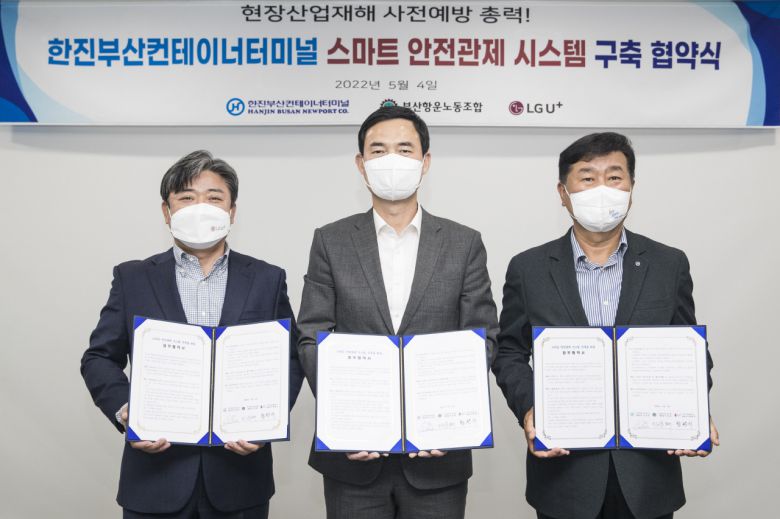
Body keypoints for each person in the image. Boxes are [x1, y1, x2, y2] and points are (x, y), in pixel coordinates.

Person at [492, 132, 719, 519]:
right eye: (587, 177)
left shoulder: (669, 264)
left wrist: (693, 409)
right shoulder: (528, 269)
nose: (602, 189)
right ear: (563, 193)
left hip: (647, 474)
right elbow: (510, 351)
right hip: (565, 475)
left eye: (614, 177)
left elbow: (688, 349)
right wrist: (531, 409)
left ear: (631, 188)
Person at [296, 106, 499, 519]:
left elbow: (482, 336)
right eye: (379, 150)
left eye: (405, 150)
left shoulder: (463, 243)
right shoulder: (331, 241)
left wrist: (447, 418)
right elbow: (312, 335)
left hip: (438, 458)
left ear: (425, 162)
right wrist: (345, 417)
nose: (392, 160)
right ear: (361, 164)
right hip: (353, 459)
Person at [80, 150, 304, 519]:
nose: (201, 208)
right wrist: (126, 411)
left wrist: (269, 421)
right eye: (187, 197)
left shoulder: (267, 278)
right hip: (154, 479)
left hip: (240, 479)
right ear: (167, 211)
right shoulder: (133, 277)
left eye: (214, 198)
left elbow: (291, 357)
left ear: (232, 211)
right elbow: (99, 357)